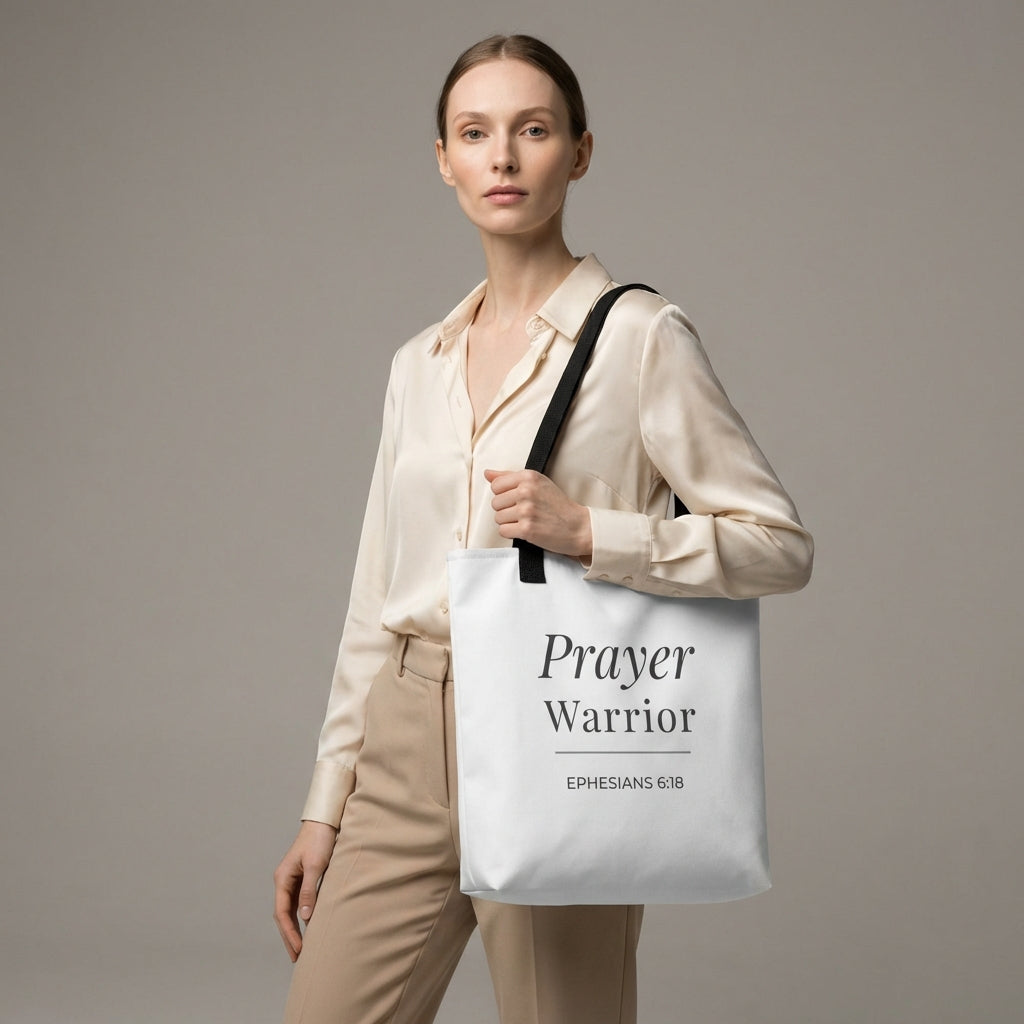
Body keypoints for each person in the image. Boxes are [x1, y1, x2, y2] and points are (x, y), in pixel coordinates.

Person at [273, 33, 812, 1024]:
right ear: (444, 160)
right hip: (404, 736)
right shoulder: (419, 362)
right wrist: (326, 803)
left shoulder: (640, 336)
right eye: (475, 133)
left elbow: (778, 545)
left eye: (532, 129)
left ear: (580, 151)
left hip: (560, 725)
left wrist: (593, 534)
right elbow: (373, 594)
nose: (504, 157)